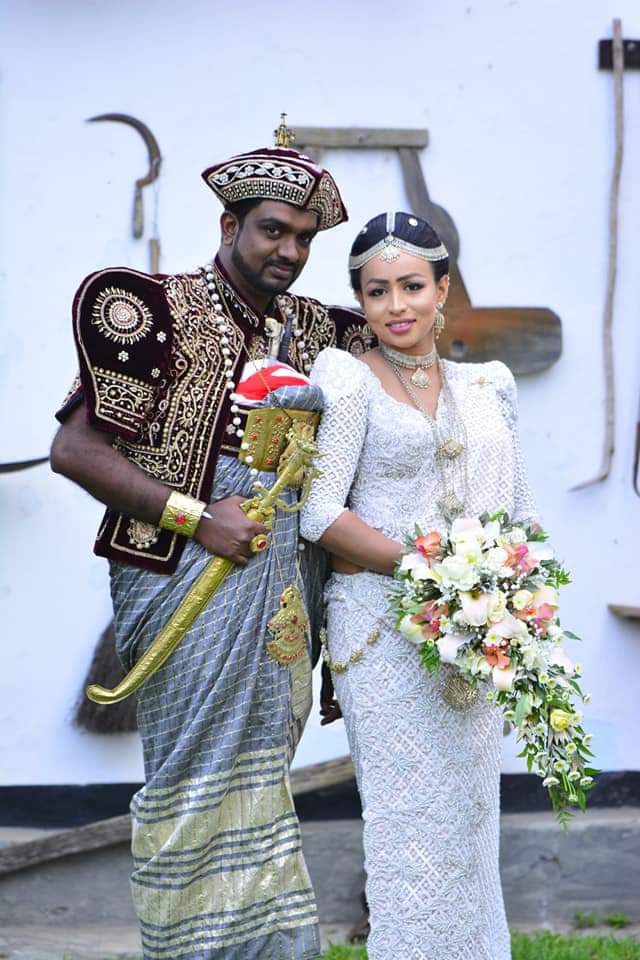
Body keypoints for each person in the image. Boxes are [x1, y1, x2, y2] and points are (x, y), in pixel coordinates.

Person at [50, 120, 372, 960]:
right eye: (273, 230)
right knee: (194, 780)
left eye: (303, 238)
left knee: (262, 778)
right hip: (181, 582)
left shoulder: (321, 333)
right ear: (229, 225)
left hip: (284, 592)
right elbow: (75, 451)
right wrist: (200, 517)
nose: (289, 250)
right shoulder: (155, 311)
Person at [300, 211, 537, 960]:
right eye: (376, 292)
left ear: (443, 289)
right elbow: (319, 513)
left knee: (471, 817)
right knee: (408, 823)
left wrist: (512, 611)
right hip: (383, 631)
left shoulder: (489, 385)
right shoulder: (347, 379)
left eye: (411, 286)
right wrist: (428, 573)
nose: (396, 306)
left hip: (477, 630)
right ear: (361, 302)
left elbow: (519, 515)